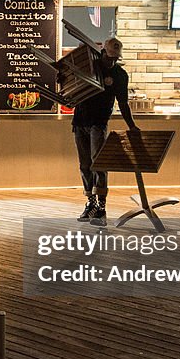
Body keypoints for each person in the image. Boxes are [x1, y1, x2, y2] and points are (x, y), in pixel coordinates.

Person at [69, 37, 140, 225]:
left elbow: (123, 103)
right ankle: (90, 203)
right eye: (110, 57)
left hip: (98, 123)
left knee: (98, 164)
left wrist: (131, 125)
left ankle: (101, 207)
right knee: (85, 165)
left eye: (115, 58)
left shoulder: (120, 75)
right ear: (102, 54)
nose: (113, 61)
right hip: (80, 121)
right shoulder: (91, 68)